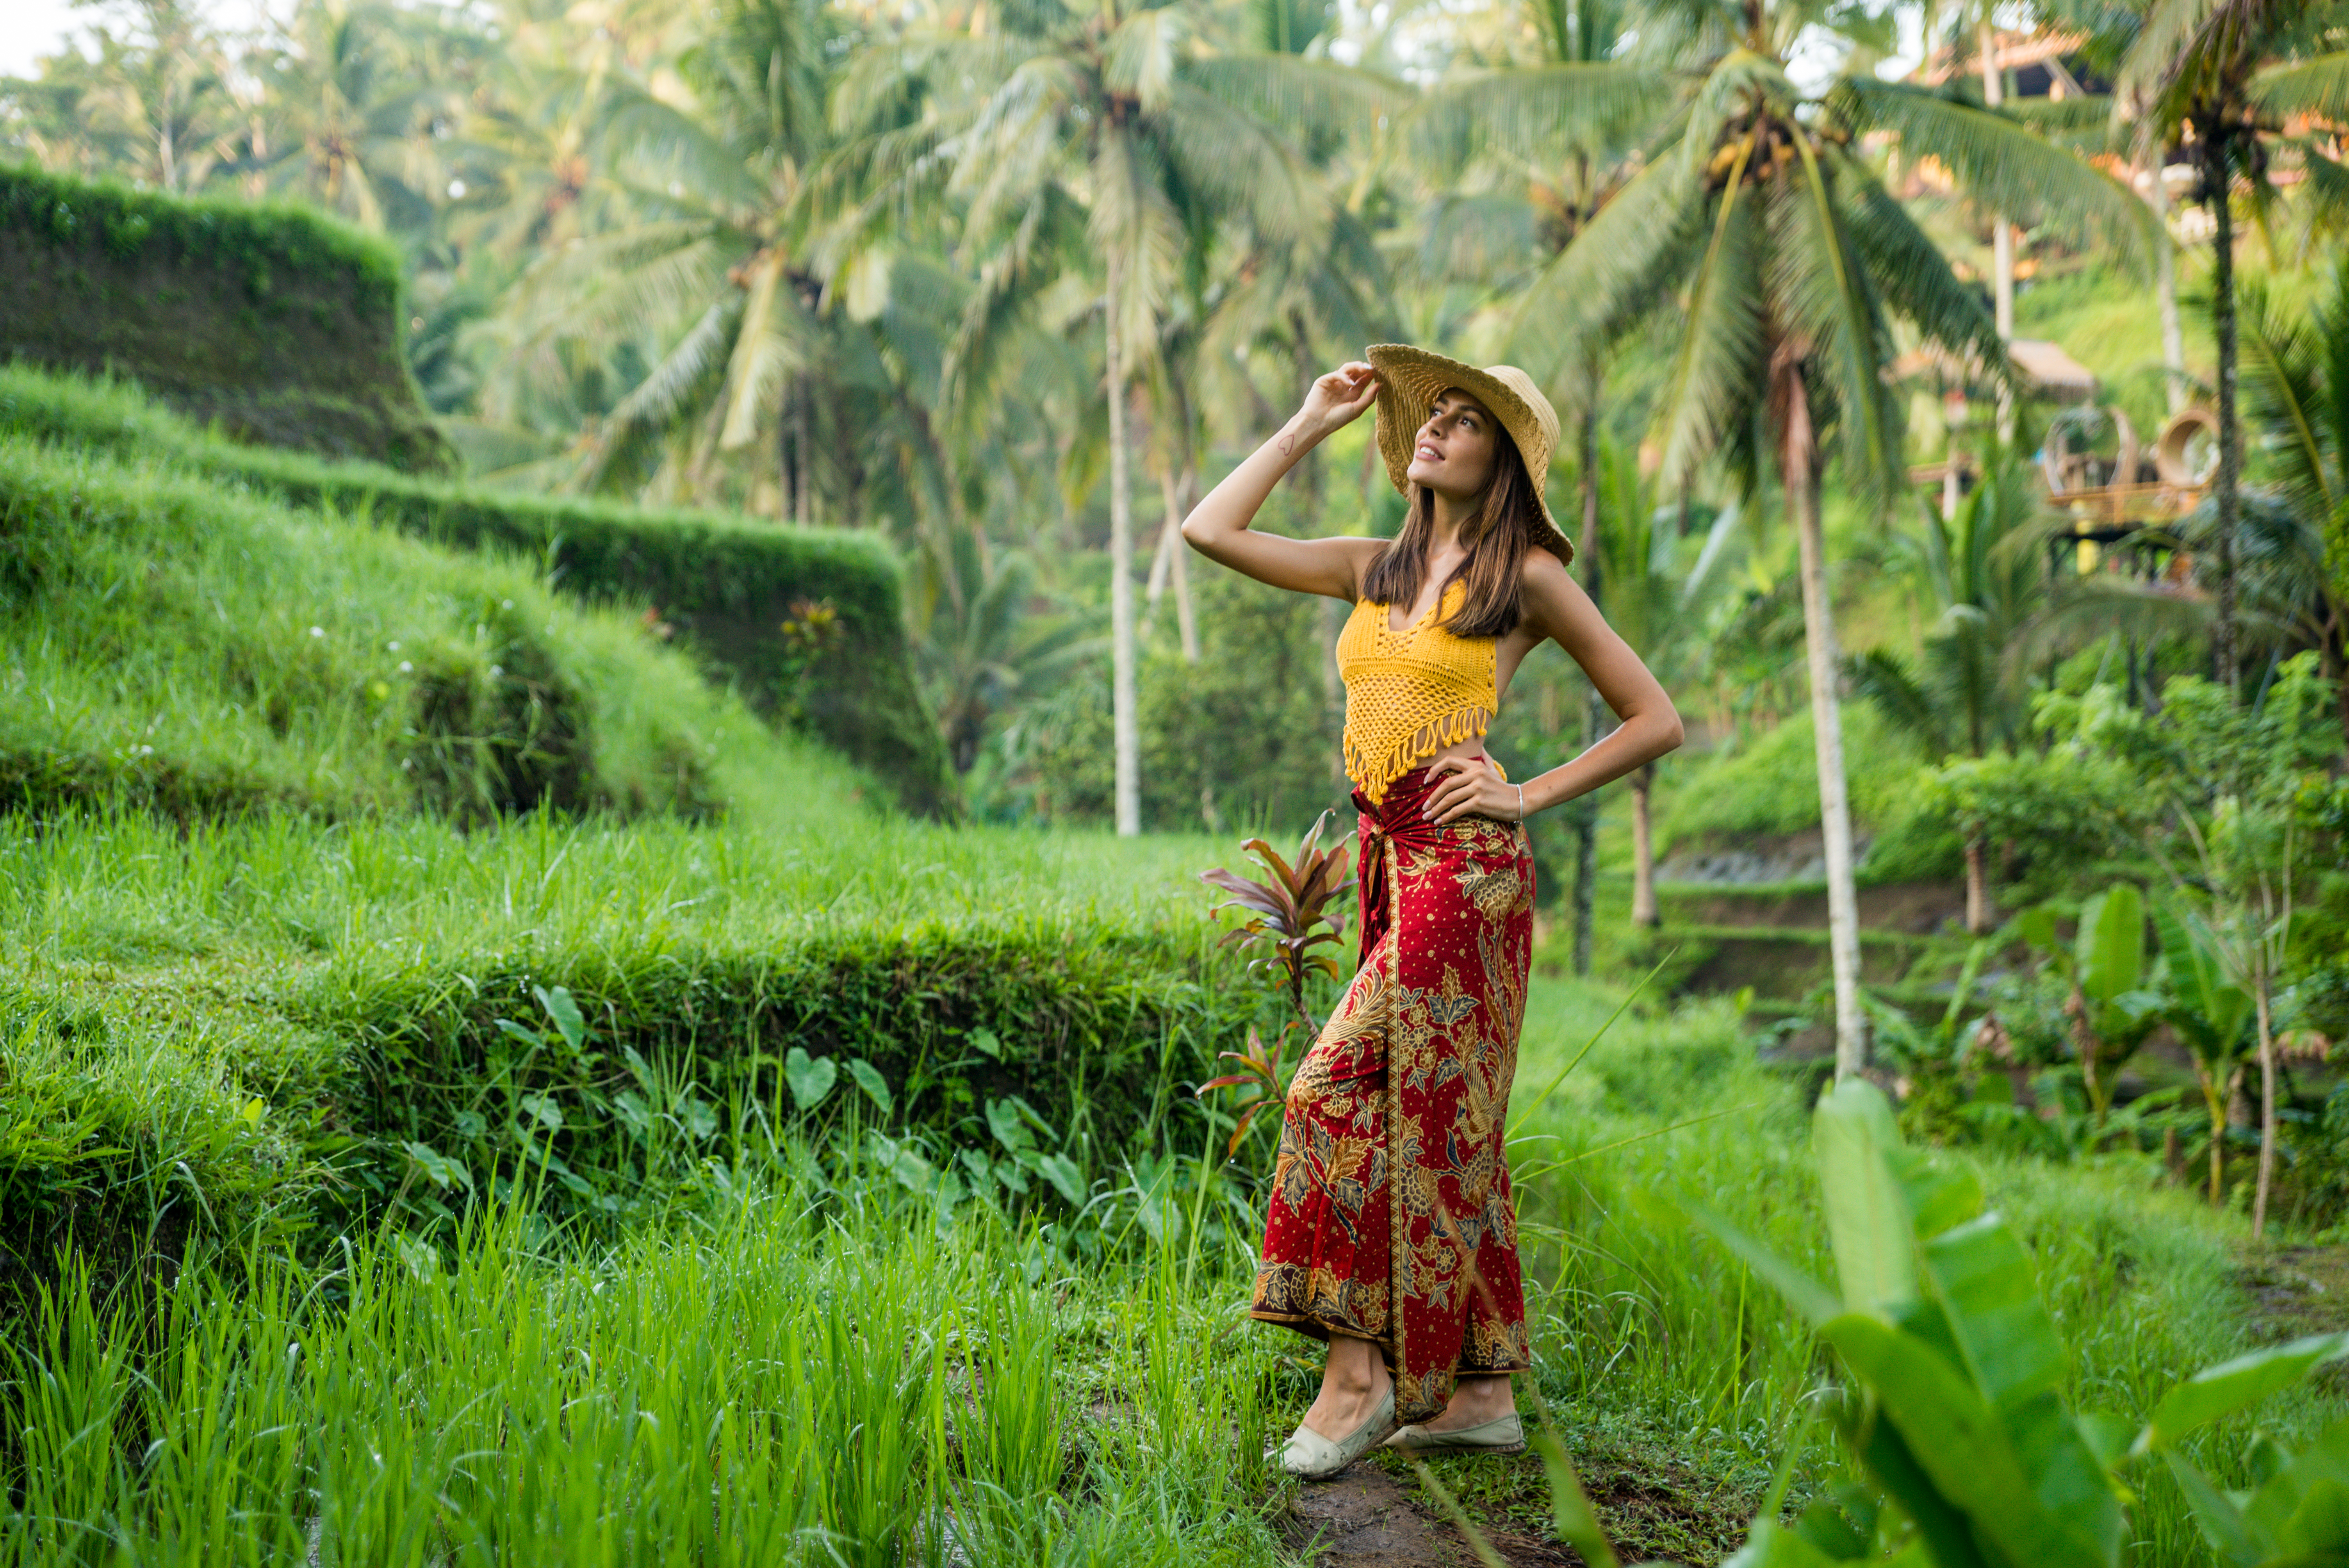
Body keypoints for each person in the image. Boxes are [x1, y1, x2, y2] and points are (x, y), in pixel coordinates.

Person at [1181, 347, 1684, 1480]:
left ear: (1500, 460)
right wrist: (1308, 422)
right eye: (1434, 414)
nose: (1435, 429)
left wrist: (1525, 791)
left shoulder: (1527, 584)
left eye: (1463, 421)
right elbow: (1210, 532)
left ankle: (1358, 1385)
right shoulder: (1372, 567)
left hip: (1466, 873)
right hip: (1388, 864)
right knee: (1440, 1117)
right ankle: (1481, 1392)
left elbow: (1656, 717)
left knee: (1325, 1094)